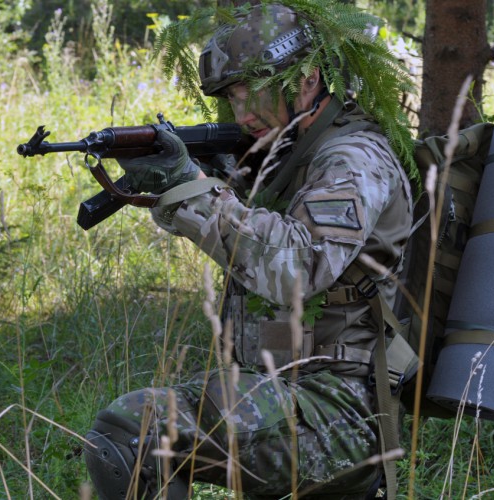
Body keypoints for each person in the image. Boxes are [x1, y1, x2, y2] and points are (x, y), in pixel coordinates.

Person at [83, 2, 415, 498]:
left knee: (134, 430)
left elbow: (297, 270)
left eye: (254, 92)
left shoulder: (353, 157)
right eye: (232, 98)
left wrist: (194, 190)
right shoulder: (288, 150)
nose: (243, 114)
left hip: (343, 411)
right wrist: (198, 183)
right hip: (291, 396)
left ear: (309, 79)